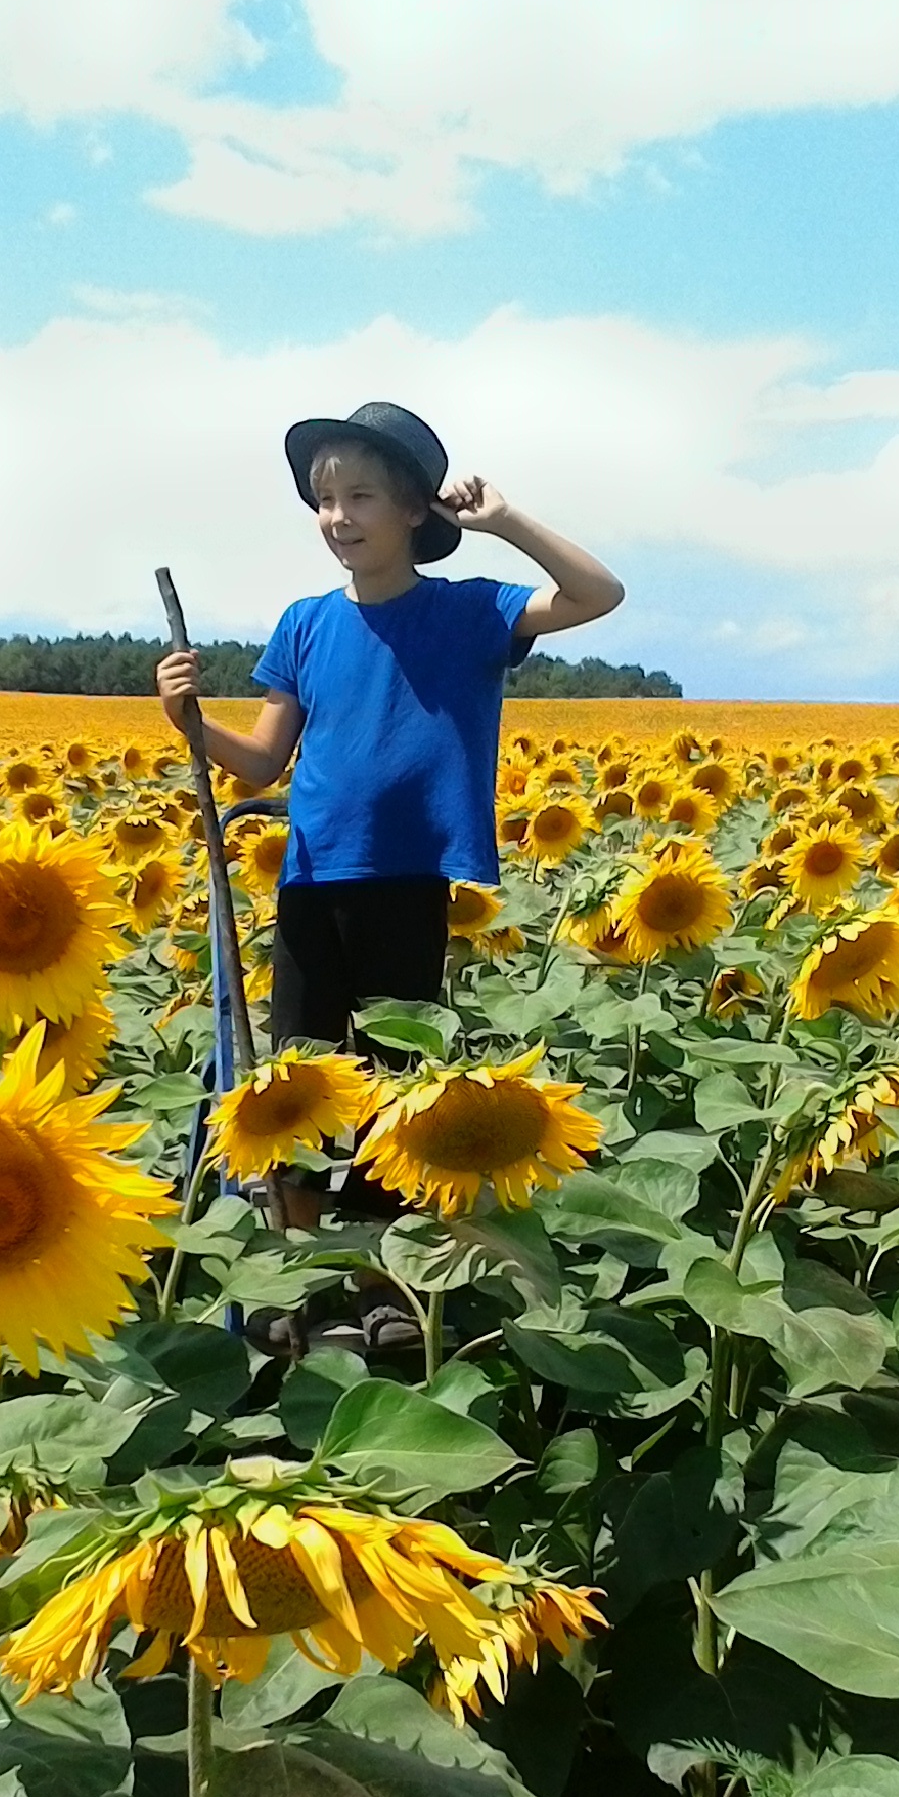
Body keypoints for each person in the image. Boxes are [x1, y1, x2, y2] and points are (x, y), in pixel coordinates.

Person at [155, 398, 624, 1248]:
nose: (338, 518)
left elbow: (599, 593)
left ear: (416, 508)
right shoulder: (306, 623)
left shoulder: (469, 611)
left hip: (407, 880)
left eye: (361, 497)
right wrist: (190, 722)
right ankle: (296, 1257)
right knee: (299, 1074)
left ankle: (381, 1265)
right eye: (325, 501)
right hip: (310, 875)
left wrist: (506, 519)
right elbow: (263, 763)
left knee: (395, 1079)